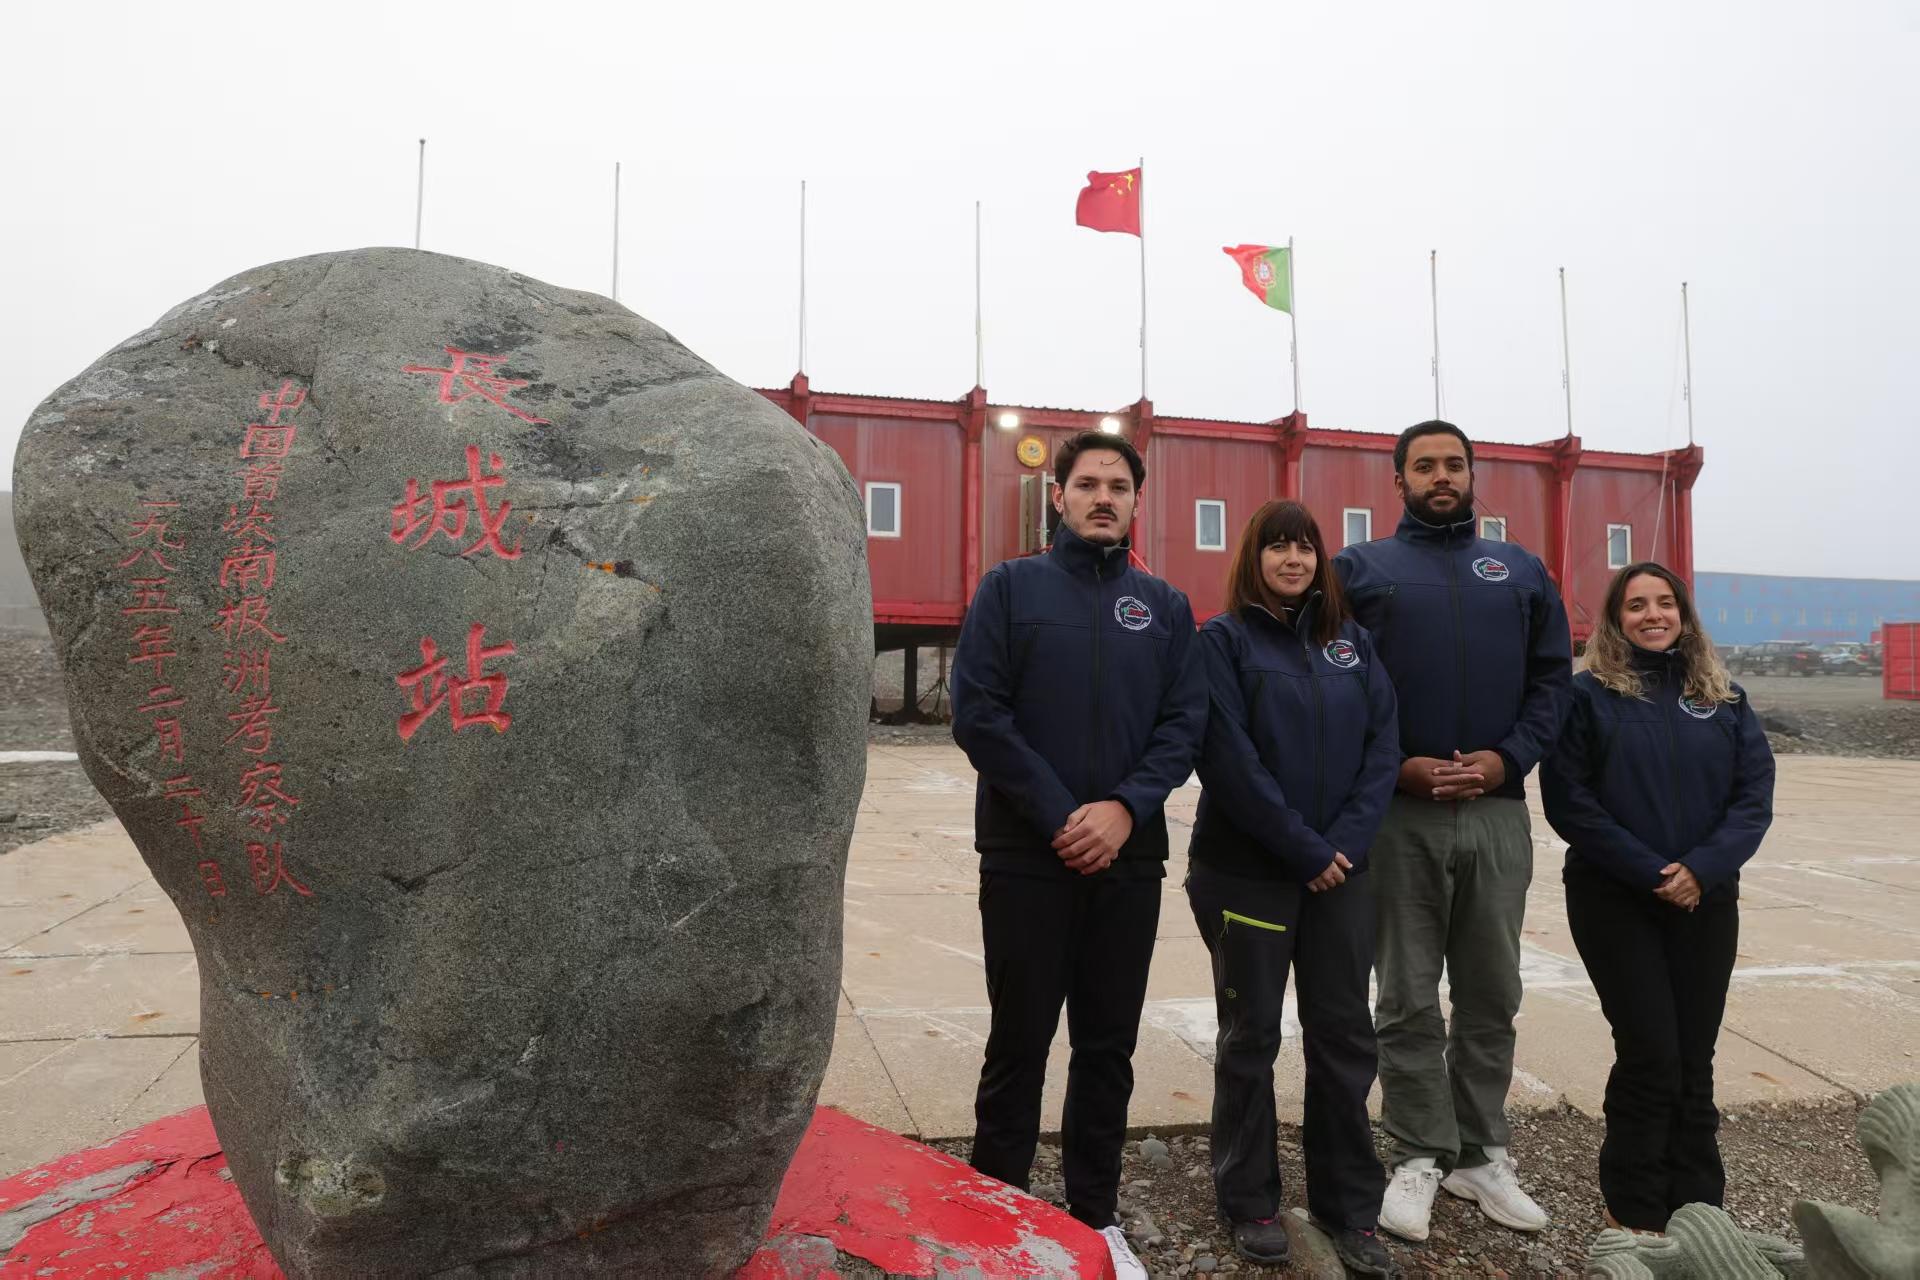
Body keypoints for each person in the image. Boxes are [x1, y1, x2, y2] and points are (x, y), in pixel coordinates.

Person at [949, 429, 1207, 1276]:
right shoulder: (1011, 588)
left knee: (1107, 1048)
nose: (1103, 497)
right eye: (1088, 484)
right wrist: (1064, 815)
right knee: (1018, 1043)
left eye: (1118, 487)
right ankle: (997, 1218)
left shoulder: (1164, 607)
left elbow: (1183, 724)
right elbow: (980, 713)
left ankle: (1095, 1217)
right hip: (1027, 857)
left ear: (1136, 502)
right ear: (1057, 496)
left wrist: (1126, 810)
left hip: (1128, 862)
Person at [1333, 420, 1572, 1242]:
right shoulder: (1361, 570)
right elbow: (1336, 682)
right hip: (1400, 815)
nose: (1442, 476)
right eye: (1425, 465)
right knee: (1405, 994)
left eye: (1455, 465)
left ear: (1473, 475)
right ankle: (1418, 1151)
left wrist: (1509, 760)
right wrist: (1396, 765)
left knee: (1491, 992)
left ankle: (1481, 1152)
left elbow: (1552, 683)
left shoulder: (1520, 571)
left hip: (1497, 814)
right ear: (1397, 480)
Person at [1188, 500, 1400, 1276]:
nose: (1292, 559)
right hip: (1247, 874)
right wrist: (1303, 848)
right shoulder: (1222, 642)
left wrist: (1342, 845)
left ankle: (1350, 1209)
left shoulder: (1352, 645)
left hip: (1341, 875)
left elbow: (1384, 747)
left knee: (1344, 1038)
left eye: (1305, 546)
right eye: (1276, 545)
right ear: (1254, 557)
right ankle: (1248, 1199)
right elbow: (1228, 758)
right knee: (1251, 1038)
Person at [1542, 562, 1774, 1234]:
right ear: (1616, 619)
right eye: (1637, 605)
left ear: (1683, 614)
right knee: (1650, 1052)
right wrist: (1654, 872)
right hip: (1614, 899)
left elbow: (1753, 797)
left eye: (1665, 603)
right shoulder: (1586, 696)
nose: (1653, 615)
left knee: (1694, 1056)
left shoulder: (1724, 697)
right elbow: (1570, 801)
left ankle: (1699, 1208)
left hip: (1706, 898)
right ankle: (1635, 1209)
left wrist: (1702, 869)